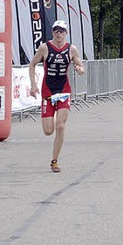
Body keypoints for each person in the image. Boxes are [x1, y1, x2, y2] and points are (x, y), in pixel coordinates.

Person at [29, 20, 85, 173]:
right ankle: (53, 116)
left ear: (66, 33)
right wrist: (33, 85)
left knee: (60, 127)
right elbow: (32, 64)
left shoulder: (71, 49)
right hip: (48, 91)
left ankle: (54, 161)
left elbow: (80, 65)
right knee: (48, 131)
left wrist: (80, 69)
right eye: (56, 31)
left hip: (63, 91)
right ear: (52, 32)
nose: (59, 33)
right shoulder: (44, 47)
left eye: (61, 31)